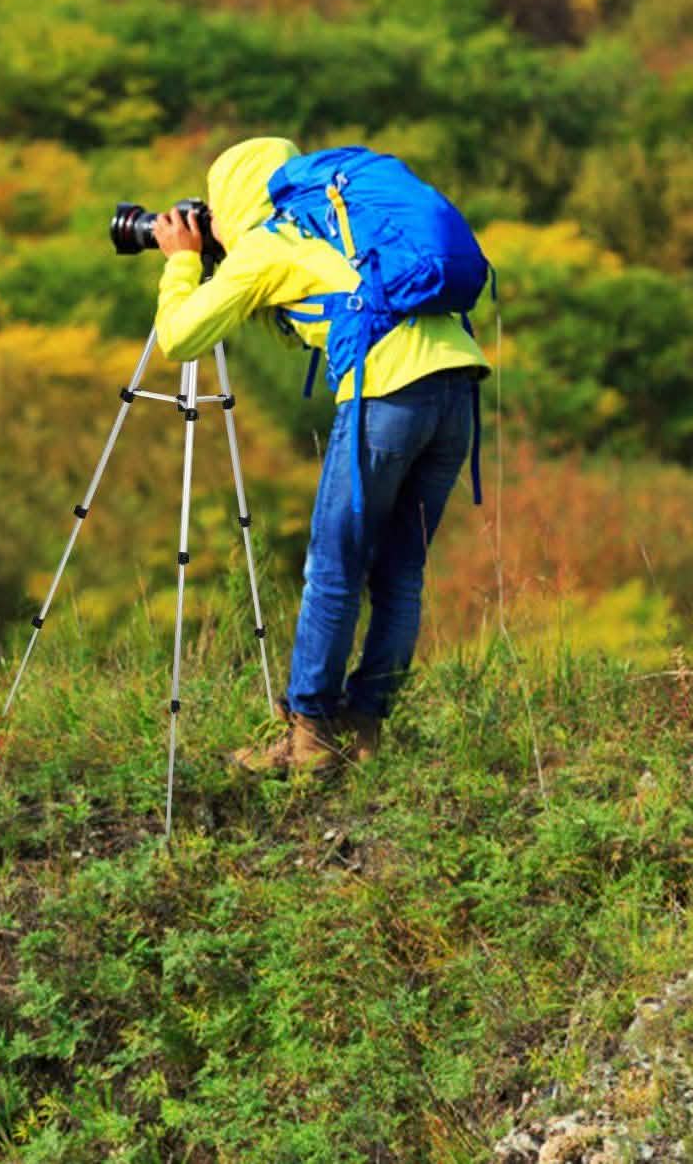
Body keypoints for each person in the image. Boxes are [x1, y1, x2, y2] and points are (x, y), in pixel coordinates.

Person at [151, 136, 490, 773]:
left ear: (229, 200)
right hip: (457, 394)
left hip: (387, 395)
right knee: (399, 571)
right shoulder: (333, 226)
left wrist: (182, 263)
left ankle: (308, 737)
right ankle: (364, 729)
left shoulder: (265, 245)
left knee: (334, 568)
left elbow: (180, 336)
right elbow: (315, 316)